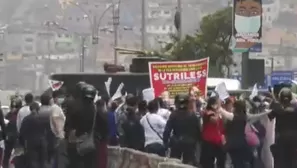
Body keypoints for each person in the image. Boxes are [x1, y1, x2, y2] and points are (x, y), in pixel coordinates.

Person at [65, 83, 108, 168]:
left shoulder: (73, 108)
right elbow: (104, 128)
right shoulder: (97, 110)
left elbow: (67, 127)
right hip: (91, 144)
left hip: (74, 143)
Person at [219, 100, 270, 168]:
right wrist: (267, 112)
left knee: (232, 162)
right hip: (242, 143)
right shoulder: (245, 116)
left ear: (235, 107)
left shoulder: (232, 116)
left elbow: (223, 112)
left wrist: (218, 105)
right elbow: (257, 116)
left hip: (231, 144)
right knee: (241, 162)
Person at [163, 94, 201, 166]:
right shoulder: (193, 115)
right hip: (190, 144)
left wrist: (165, 143)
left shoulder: (173, 115)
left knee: (174, 163)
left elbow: (167, 131)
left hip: (176, 143)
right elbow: (198, 131)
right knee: (188, 163)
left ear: (176, 103)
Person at [19, 101, 54, 168]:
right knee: (43, 162)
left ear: (30, 109)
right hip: (42, 141)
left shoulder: (26, 119)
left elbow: (22, 133)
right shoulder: (44, 118)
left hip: (31, 143)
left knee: (33, 162)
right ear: (38, 109)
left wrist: (22, 143)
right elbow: (49, 130)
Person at [268, 87, 297, 168]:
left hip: (280, 138)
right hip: (294, 139)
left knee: (280, 161)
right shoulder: (295, 108)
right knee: (294, 160)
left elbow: (269, 116)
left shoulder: (277, 108)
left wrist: (274, 102)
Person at [200, 96, 226, 168]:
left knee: (221, 161)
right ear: (212, 104)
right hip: (209, 141)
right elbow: (214, 120)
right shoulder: (207, 112)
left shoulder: (219, 113)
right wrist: (218, 111)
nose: (220, 104)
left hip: (218, 141)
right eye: (218, 103)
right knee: (208, 163)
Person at [3, 98, 22, 168]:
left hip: (17, 137)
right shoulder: (8, 115)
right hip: (9, 137)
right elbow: (4, 125)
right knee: (6, 155)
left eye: (15, 107)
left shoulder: (19, 115)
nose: (13, 108)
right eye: (12, 106)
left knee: (17, 155)